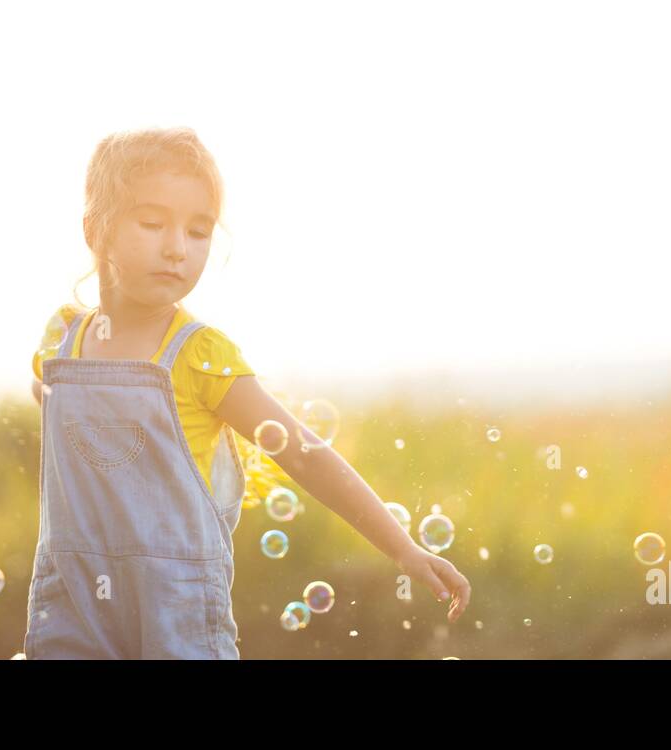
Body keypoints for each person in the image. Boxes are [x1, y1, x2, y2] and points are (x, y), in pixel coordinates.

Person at [24, 127, 470, 658]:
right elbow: (54, 403)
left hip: (175, 605)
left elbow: (304, 454)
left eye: (198, 231)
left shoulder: (199, 354)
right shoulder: (62, 340)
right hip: (73, 596)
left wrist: (404, 548)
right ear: (95, 230)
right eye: (152, 223)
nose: (176, 249)